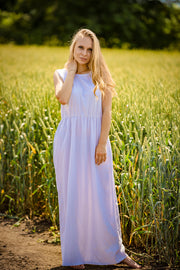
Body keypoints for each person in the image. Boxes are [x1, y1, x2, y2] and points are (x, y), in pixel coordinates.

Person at [53, 28, 141, 269]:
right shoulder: (60, 74)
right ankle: (75, 256)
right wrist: (71, 72)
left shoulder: (100, 77)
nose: (84, 52)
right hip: (69, 142)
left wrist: (102, 143)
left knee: (102, 196)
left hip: (96, 142)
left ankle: (115, 252)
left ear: (95, 52)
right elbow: (63, 98)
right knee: (73, 196)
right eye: (80, 47)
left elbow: (107, 113)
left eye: (89, 49)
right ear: (73, 47)